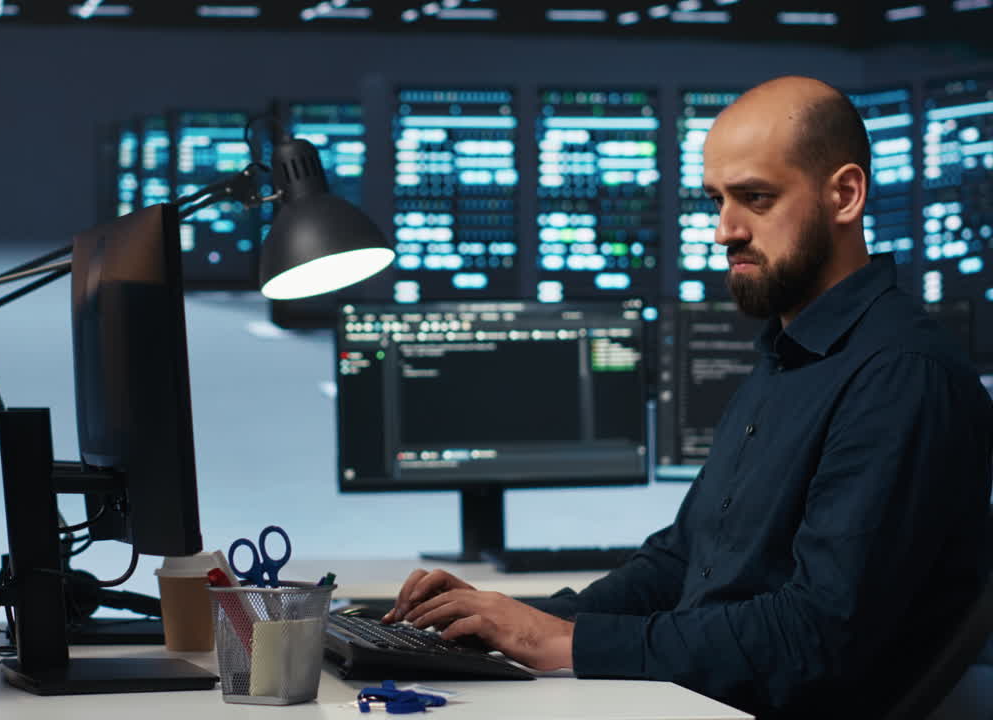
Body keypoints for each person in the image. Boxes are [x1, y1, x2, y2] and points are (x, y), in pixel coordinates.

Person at [381, 75, 993, 719]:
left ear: (844, 195)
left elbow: (815, 637)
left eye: (756, 198)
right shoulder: (790, 354)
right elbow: (682, 563)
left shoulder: (899, 376)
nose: (725, 229)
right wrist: (516, 618)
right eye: (716, 201)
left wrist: (563, 641)